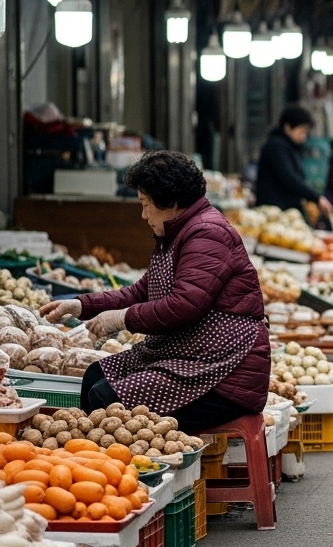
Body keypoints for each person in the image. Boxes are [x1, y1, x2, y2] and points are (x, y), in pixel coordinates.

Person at [40, 151, 271, 434]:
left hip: (225, 376)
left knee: (106, 396)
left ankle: (124, 472)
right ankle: (97, 463)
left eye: (145, 204)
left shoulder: (207, 233)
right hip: (191, 358)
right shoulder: (176, 233)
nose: (143, 214)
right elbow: (142, 292)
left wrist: (120, 319)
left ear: (170, 202)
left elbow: (184, 305)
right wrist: (80, 305)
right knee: (95, 375)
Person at [254, 106, 332, 216]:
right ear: (287, 127)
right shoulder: (276, 146)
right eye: (301, 131)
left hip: (285, 209)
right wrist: (315, 197)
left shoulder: (290, 147)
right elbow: (288, 177)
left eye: (305, 132)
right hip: (274, 211)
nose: (303, 137)